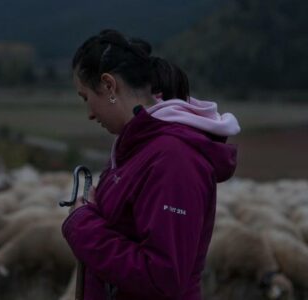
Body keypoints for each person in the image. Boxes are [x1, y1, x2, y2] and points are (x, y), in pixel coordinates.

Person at [61, 29, 240, 300]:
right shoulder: (137, 148)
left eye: (86, 97)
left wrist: (82, 224)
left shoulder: (173, 159)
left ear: (109, 85)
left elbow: (162, 278)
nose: (89, 113)